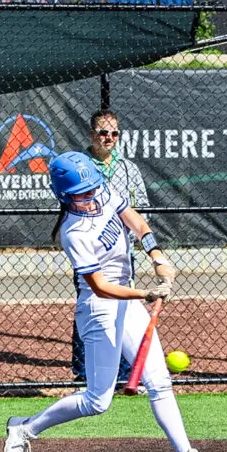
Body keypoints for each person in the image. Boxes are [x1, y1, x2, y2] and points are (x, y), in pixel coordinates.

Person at [4, 152, 216, 452]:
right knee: (97, 401)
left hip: (127, 301)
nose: (90, 198)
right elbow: (101, 287)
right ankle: (23, 430)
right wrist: (146, 293)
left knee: (159, 382)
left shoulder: (102, 191)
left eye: (91, 189)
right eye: (81, 194)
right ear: (65, 196)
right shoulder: (73, 233)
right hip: (99, 309)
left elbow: (137, 222)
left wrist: (156, 255)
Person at [71, 110, 150, 383]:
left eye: (114, 133)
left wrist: (136, 231)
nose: (109, 138)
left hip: (122, 249)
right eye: (103, 133)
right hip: (92, 251)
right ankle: (84, 374)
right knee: (91, 306)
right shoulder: (79, 166)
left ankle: (126, 375)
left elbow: (141, 207)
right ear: (92, 134)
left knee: (124, 309)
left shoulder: (128, 168)